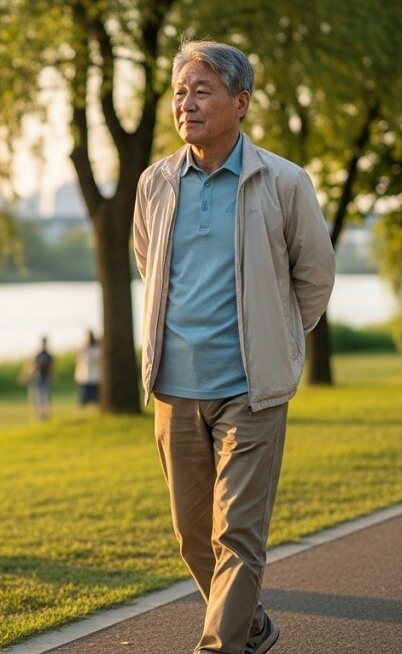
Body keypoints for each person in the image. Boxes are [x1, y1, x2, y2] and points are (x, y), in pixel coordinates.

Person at [132, 40, 335, 654]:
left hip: (250, 390)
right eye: (179, 93)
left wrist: (278, 338)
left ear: (240, 103)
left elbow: (315, 276)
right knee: (193, 537)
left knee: (238, 536)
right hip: (175, 388)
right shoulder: (155, 183)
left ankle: (221, 645)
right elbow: (147, 262)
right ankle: (253, 626)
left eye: (202, 91)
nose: (186, 104)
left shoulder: (283, 181)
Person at [20, 336, 54, 420]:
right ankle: (39, 414)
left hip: (44, 378)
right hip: (36, 378)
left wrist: (52, 377)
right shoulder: (37, 355)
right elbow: (29, 365)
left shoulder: (48, 356)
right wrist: (25, 376)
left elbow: (52, 367)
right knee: (35, 397)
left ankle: (44, 414)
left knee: (43, 396)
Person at [74, 330, 102, 408]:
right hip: (85, 376)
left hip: (95, 375)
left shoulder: (97, 348)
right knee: (83, 394)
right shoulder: (83, 349)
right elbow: (79, 360)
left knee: (95, 394)